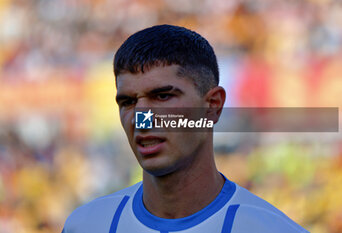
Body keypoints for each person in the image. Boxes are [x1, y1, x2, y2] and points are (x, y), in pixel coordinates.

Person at [62, 25, 309, 233]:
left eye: (162, 96)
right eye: (128, 102)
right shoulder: (85, 225)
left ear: (212, 106)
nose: (142, 120)